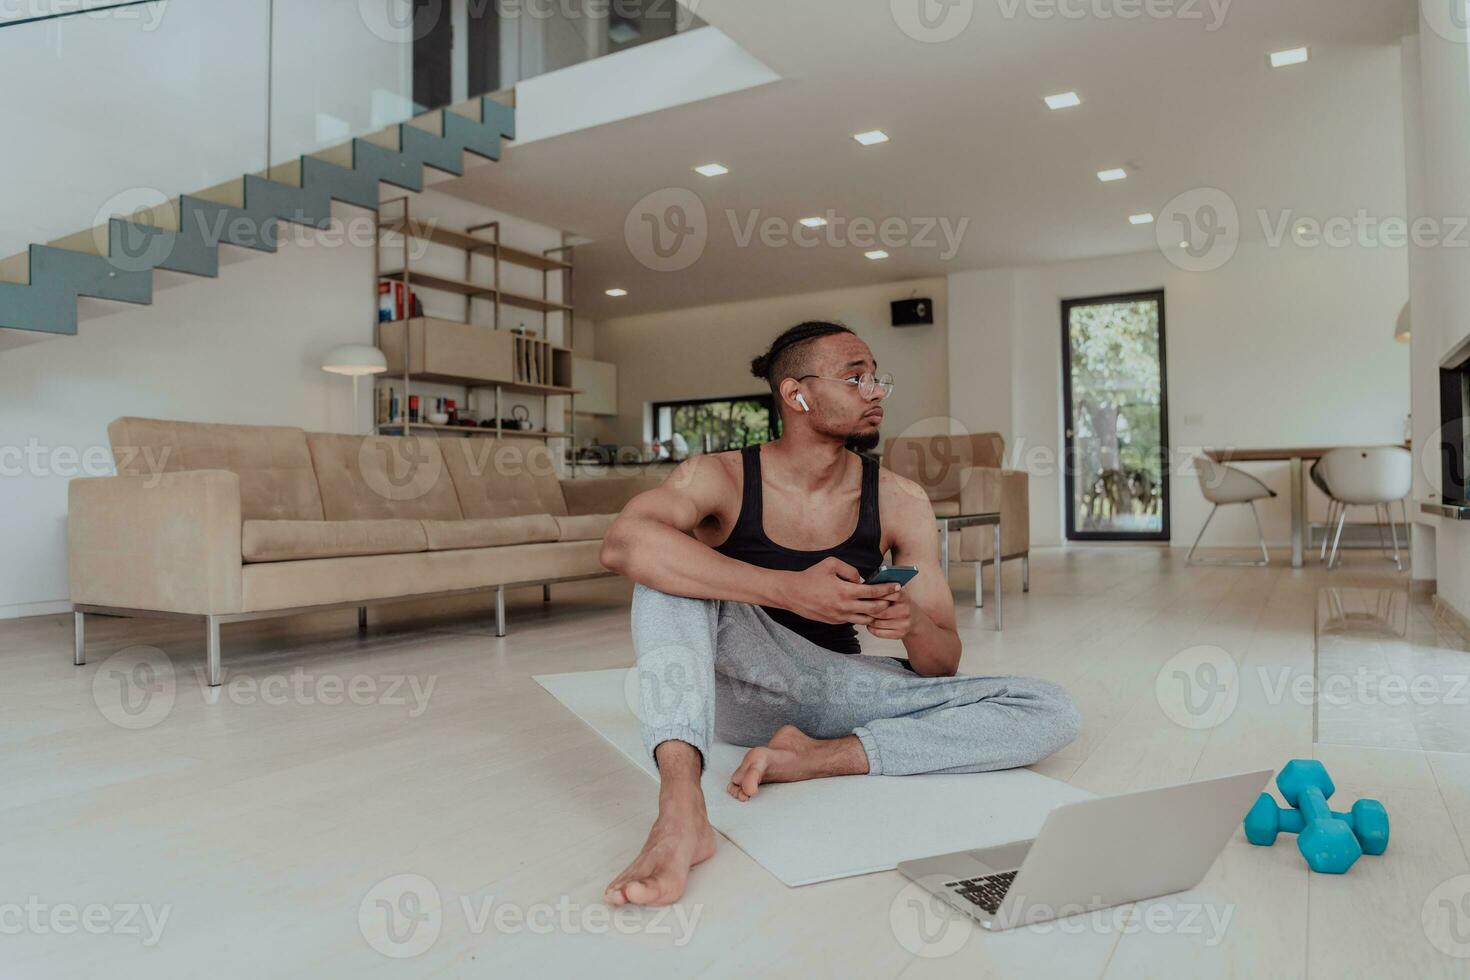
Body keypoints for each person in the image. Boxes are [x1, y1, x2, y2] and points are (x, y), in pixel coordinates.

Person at [598, 321, 1080, 907]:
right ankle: (681, 809)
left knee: (1050, 709)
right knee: (663, 573)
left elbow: (942, 663)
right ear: (796, 395)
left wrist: (912, 621)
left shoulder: (900, 499)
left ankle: (815, 757)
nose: (875, 391)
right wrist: (788, 590)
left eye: (878, 379)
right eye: (856, 378)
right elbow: (623, 545)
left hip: (834, 688)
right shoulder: (718, 475)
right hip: (735, 689)